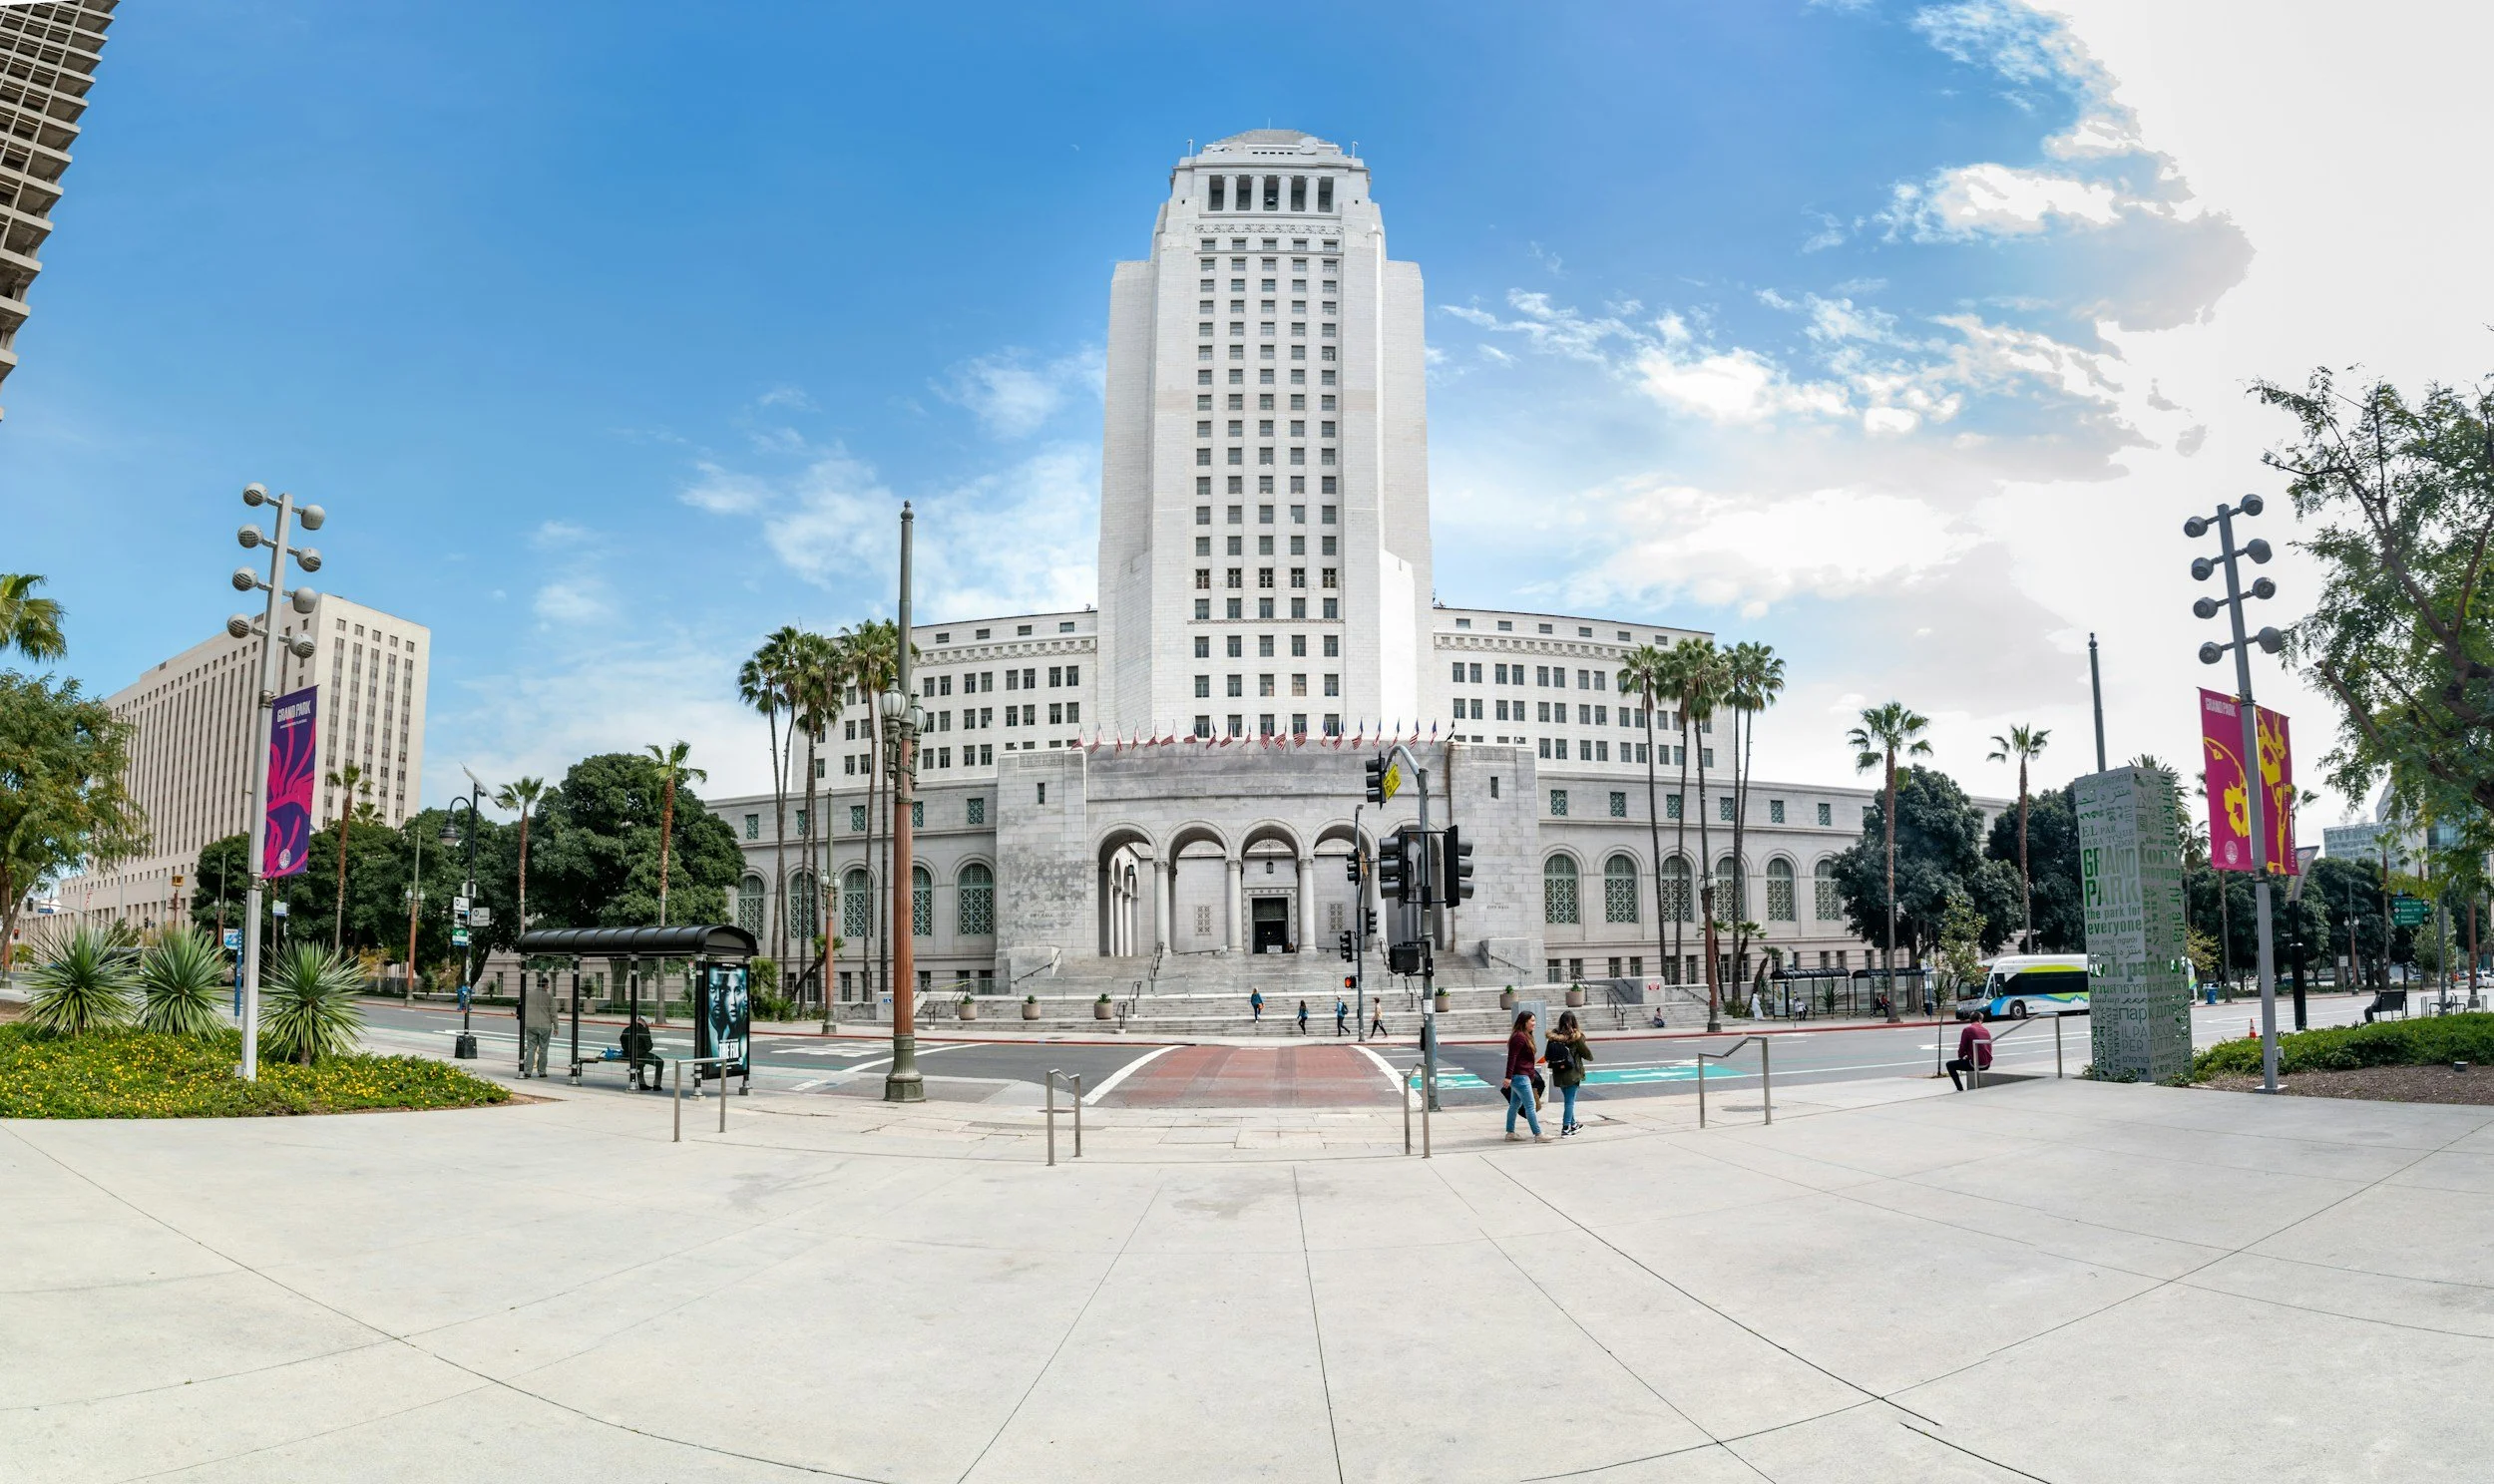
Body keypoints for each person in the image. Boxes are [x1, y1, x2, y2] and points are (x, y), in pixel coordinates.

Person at [1503, 1009, 1547, 1141]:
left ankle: (1510, 1132)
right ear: (1524, 1022)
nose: (1534, 1023)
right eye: (1532, 1021)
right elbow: (1512, 1058)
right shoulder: (1519, 1037)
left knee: (1514, 1105)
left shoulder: (1525, 1035)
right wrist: (1508, 1077)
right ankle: (1538, 1134)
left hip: (1521, 1076)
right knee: (1530, 1106)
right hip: (1520, 1077)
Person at [1546, 1009, 1592, 1135]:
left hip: (1558, 1074)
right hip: (1572, 1073)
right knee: (1569, 1102)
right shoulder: (1576, 1038)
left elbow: (1547, 1056)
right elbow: (1587, 1054)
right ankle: (1566, 1128)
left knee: (1568, 1100)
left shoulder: (1553, 1039)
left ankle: (1573, 1124)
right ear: (1574, 1022)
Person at [520, 973, 555, 1078]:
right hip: (545, 1026)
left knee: (531, 1048)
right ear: (544, 985)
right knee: (543, 1050)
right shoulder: (549, 996)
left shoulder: (528, 995)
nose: (548, 987)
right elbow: (553, 1013)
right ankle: (542, 1071)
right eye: (547, 986)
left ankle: (527, 1071)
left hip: (530, 1025)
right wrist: (556, 1027)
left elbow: (522, 1008)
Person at [1946, 1017, 1994, 1090]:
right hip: (1987, 1064)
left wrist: (1961, 1057)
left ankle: (1960, 1089)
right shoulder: (1986, 1030)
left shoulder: (1967, 1030)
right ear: (1980, 1020)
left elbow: (1962, 1047)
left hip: (1975, 1064)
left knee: (1950, 1065)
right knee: (1968, 1060)